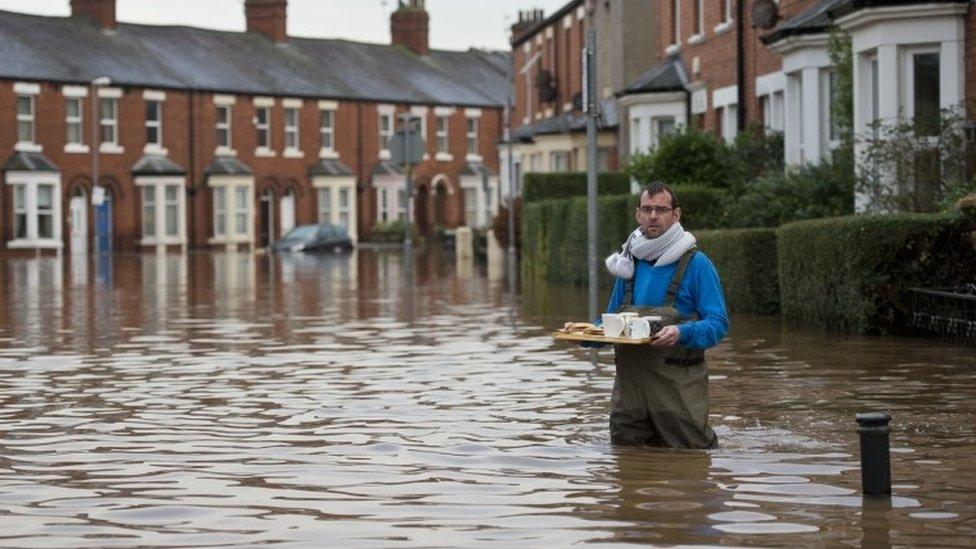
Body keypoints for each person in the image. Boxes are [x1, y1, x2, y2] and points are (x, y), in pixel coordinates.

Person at [601, 181, 728, 449]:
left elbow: (718, 325)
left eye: (661, 209)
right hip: (629, 400)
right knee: (629, 475)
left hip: (678, 400)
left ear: (676, 215)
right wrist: (584, 333)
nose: (653, 216)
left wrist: (681, 332)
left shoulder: (697, 265)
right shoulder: (628, 265)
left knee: (690, 469)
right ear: (638, 215)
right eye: (647, 209)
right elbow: (610, 322)